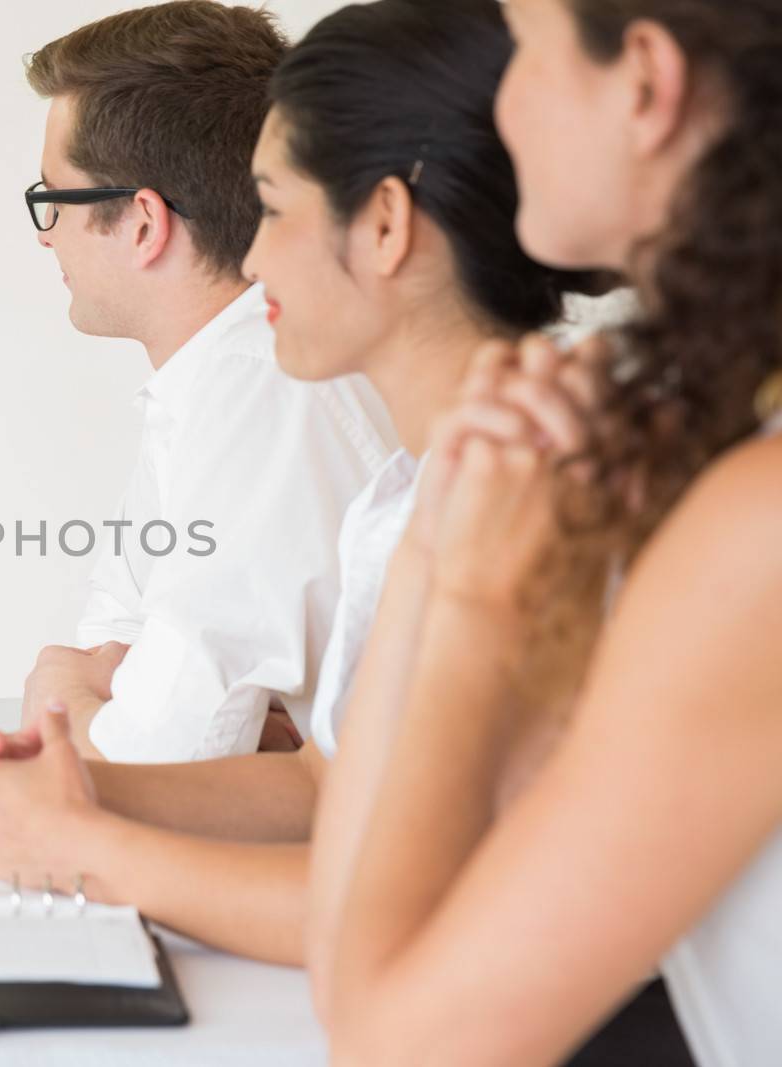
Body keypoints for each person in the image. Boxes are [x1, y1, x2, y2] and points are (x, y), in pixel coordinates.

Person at [0, 0, 592, 964]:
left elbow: (382, 914)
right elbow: (328, 785)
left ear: (382, 227)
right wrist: (76, 785)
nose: (252, 252)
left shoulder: (515, 487)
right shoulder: (416, 492)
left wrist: (82, 826)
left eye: (275, 208)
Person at [306, 1, 782, 1065]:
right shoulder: (710, 453)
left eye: (525, 49)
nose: (502, 102)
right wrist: (439, 538)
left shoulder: (757, 528)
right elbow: (351, 971)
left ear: (645, 81)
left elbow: (397, 1046)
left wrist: (472, 599)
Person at [18, 0, 395, 762]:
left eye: (52, 199)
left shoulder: (262, 389)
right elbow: (119, 647)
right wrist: (101, 698)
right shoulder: (211, 381)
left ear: (144, 224)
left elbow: (156, 754)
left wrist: (63, 697)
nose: (42, 231)